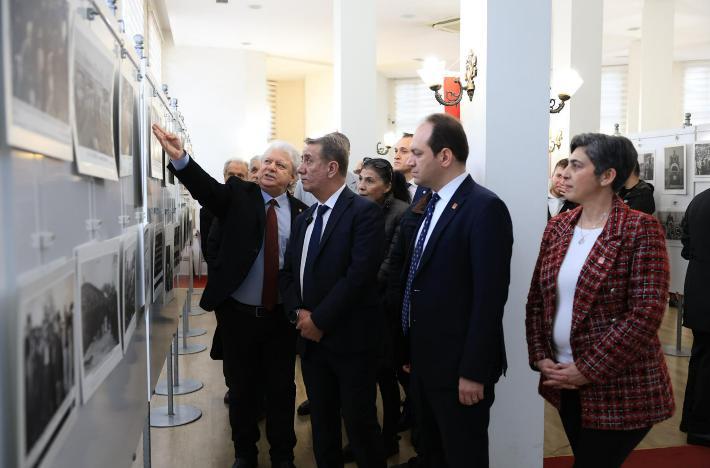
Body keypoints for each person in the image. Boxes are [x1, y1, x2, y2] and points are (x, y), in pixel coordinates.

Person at [153, 124, 307, 468]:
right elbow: (207, 189)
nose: (270, 168)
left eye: (280, 165)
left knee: (282, 390)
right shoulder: (239, 196)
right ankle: (245, 453)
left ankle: (283, 455)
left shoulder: (301, 213)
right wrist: (180, 158)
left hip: (280, 320)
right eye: (267, 161)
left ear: (293, 176)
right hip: (238, 317)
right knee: (241, 390)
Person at [526, 133, 675, 468]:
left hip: (620, 387)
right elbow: (537, 299)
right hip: (563, 379)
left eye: (576, 166)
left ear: (607, 176)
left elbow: (646, 312)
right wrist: (540, 356)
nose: (564, 174)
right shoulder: (558, 227)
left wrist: (587, 369)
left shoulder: (640, 229)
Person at [398, 113, 513, 468]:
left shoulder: (484, 208)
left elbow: (489, 298)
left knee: (464, 457)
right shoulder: (428, 204)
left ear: (445, 156)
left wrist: (473, 371)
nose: (409, 161)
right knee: (431, 454)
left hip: (459, 369)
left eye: (417, 153)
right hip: (424, 362)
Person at [279, 132, 386, 468]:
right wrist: (298, 314)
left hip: (350, 344)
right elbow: (288, 274)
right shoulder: (304, 219)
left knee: (360, 428)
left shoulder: (364, 213)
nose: (300, 169)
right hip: (312, 346)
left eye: (308, 160)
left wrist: (319, 320)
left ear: (332, 167)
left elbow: (358, 277)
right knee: (323, 429)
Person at [341, 156, 409, 461]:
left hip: (383, 306)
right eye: (361, 180)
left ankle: (389, 437)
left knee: (385, 374)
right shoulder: (357, 209)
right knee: (361, 377)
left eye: (370, 181)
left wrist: (356, 287)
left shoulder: (400, 213)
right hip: (357, 304)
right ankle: (363, 439)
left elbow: (391, 263)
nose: (362, 186)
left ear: (388, 185)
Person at [199, 158, 250, 404]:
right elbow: (209, 250)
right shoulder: (209, 208)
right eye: (231, 174)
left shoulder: (254, 207)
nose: (236, 179)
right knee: (230, 343)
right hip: (226, 290)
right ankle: (234, 386)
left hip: (251, 290)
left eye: (241, 175)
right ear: (223, 175)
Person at [680, 187, 710, 448]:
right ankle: (702, 428)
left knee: (700, 357)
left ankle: (690, 421)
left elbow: (686, 246)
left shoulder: (699, 200)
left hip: (698, 287)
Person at [392, 133, 417, 202]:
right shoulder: (389, 185)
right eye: (396, 151)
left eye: (404, 151)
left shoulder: (430, 187)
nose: (396, 156)